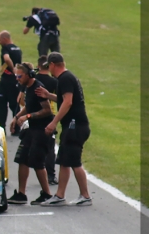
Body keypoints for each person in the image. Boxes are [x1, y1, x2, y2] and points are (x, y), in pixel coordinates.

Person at [37, 53, 91, 205]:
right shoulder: (67, 78)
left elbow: (68, 102)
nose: (49, 70)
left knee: (74, 161)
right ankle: (60, 195)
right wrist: (49, 95)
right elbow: (65, 100)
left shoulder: (65, 78)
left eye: (49, 67)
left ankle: (85, 195)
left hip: (75, 126)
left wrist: (54, 122)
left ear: (53, 64)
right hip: (73, 126)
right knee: (65, 161)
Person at [6, 63, 54, 205]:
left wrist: (27, 117)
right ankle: (21, 193)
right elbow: (29, 106)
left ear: (28, 75)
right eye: (16, 75)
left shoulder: (38, 88)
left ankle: (46, 193)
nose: (17, 78)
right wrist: (16, 117)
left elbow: (47, 110)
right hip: (31, 130)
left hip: (41, 130)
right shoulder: (26, 87)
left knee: (37, 162)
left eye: (19, 76)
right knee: (22, 159)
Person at [36, 56, 59, 184]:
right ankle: (50, 175)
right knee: (50, 147)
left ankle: (38, 171)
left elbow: (20, 98)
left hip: (33, 114)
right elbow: (60, 98)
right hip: (50, 116)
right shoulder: (54, 82)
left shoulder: (33, 80)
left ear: (38, 65)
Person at [0, 30, 23, 126]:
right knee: (15, 105)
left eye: (0, 40)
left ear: (5, 39)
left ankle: (1, 127)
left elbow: (6, 58)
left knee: (2, 105)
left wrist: (12, 69)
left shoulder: (5, 48)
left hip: (6, 81)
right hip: (15, 81)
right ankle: (17, 128)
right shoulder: (18, 49)